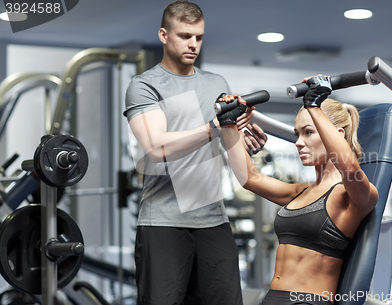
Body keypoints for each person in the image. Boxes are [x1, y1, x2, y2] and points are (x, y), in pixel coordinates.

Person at [123, 1, 267, 304]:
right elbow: (157, 147)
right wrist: (212, 127)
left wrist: (243, 138)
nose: (193, 44)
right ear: (164, 35)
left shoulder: (216, 84)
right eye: (185, 36)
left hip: (214, 222)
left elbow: (228, 142)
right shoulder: (145, 85)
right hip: (163, 223)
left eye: (199, 37)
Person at [218, 75, 379, 305]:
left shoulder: (355, 196)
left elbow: (350, 167)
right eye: (297, 134)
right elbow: (250, 178)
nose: (298, 142)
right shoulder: (301, 192)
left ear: (337, 135)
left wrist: (314, 106)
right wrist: (228, 124)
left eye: (308, 132)